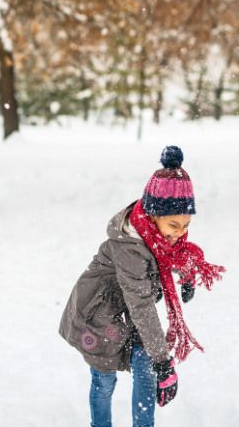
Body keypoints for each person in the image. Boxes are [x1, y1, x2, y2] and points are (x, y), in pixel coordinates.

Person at [59, 146, 225, 427]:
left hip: (133, 312)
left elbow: (176, 252)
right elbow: (141, 303)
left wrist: (185, 274)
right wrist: (164, 360)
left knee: (146, 370)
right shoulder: (130, 246)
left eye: (186, 224)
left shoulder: (162, 234)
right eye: (174, 224)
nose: (181, 233)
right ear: (153, 215)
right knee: (104, 379)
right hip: (102, 315)